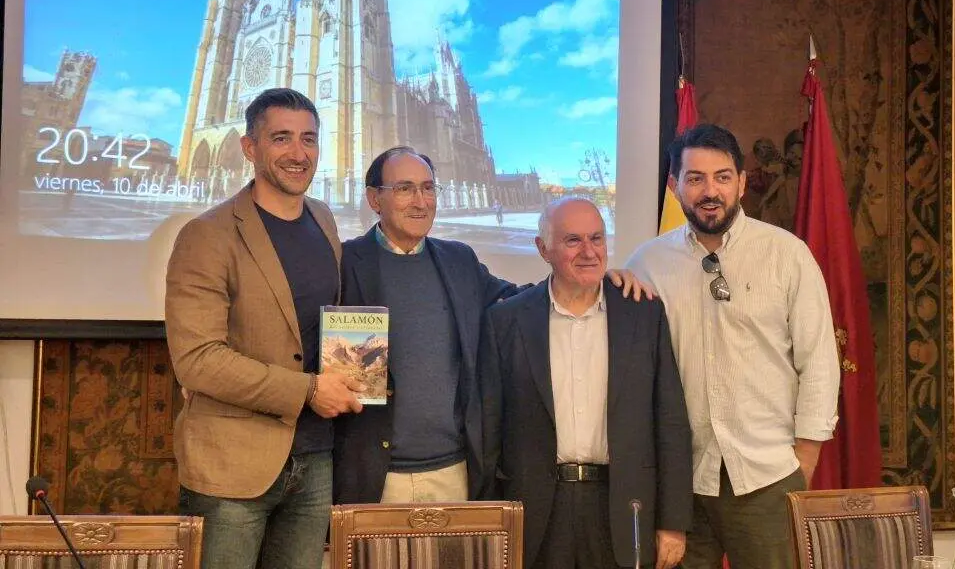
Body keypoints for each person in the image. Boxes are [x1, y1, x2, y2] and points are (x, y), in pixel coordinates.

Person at [332, 146, 652, 506]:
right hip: (374, 475)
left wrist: (594, 279)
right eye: (405, 188)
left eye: (428, 188)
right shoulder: (343, 263)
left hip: (454, 472)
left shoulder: (458, 260)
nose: (420, 201)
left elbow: (525, 299)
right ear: (375, 198)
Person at [626, 123, 840, 569]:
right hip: (681, 486)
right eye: (695, 178)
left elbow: (818, 361)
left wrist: (804, 460)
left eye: (723, 177)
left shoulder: (786, 254)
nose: (710, 191)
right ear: (674, 185)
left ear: (742, 182)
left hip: (766, 475)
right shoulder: (646, 264)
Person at [166, 87, 362, 569]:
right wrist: (308, 390)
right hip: (232, 466)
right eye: (281, 138)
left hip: (315, 457)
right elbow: (197, 361)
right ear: (250, 148)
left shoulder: (324, 219)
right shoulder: (207, 236)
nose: (299, 153)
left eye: (309, 139)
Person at [479, 198, 692, 569]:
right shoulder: (506, 321)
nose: (589, 251)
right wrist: (488, 517)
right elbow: (488, 430)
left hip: (624, 506)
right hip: (537, 510)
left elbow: (670, 421)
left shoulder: (643, 313)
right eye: (573, 240)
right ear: (543, 249)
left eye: (597, 238)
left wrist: (673, 523)